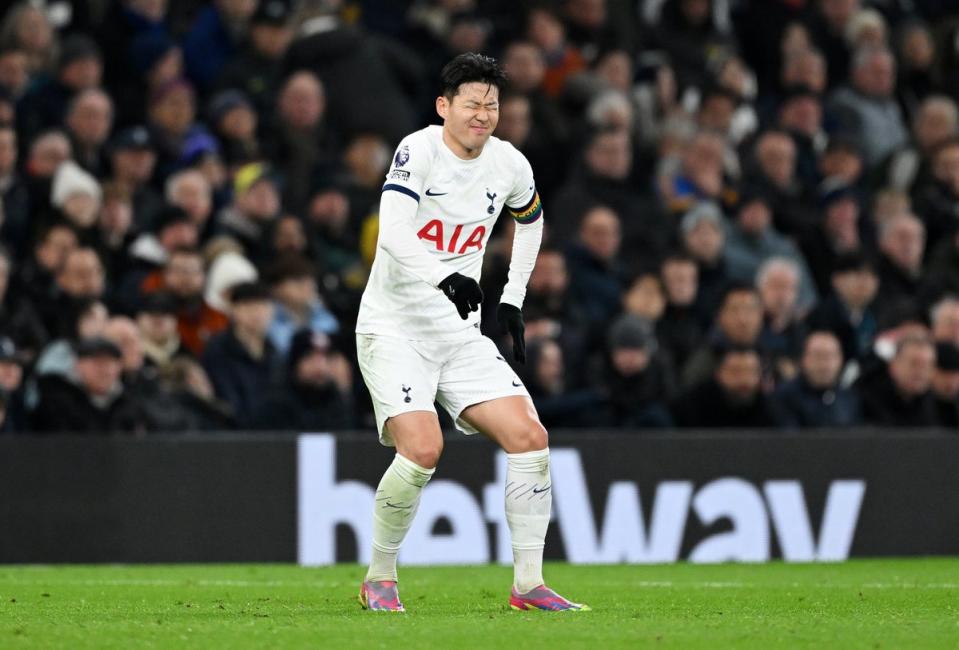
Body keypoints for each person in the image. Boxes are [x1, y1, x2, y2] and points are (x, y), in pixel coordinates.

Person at [353, 54, 587, 612]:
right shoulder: (418, 150)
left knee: (531, 439)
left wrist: (512, 298)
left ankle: (528, 586)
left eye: (492, 105)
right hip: (394, 329)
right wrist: (445, 276)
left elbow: (531, 222)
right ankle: (378, 577)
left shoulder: (510, 164)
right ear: (444, 107)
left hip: (459, 334)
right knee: (424, 449)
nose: (483, 115)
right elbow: (392, 233)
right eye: (472, 104)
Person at [773, 331, 861, 428]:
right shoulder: (784, 396)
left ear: (840, 360)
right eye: (818, 356)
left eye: (830, 356)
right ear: (804, 359)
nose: (824, 365)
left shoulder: (849, 398)